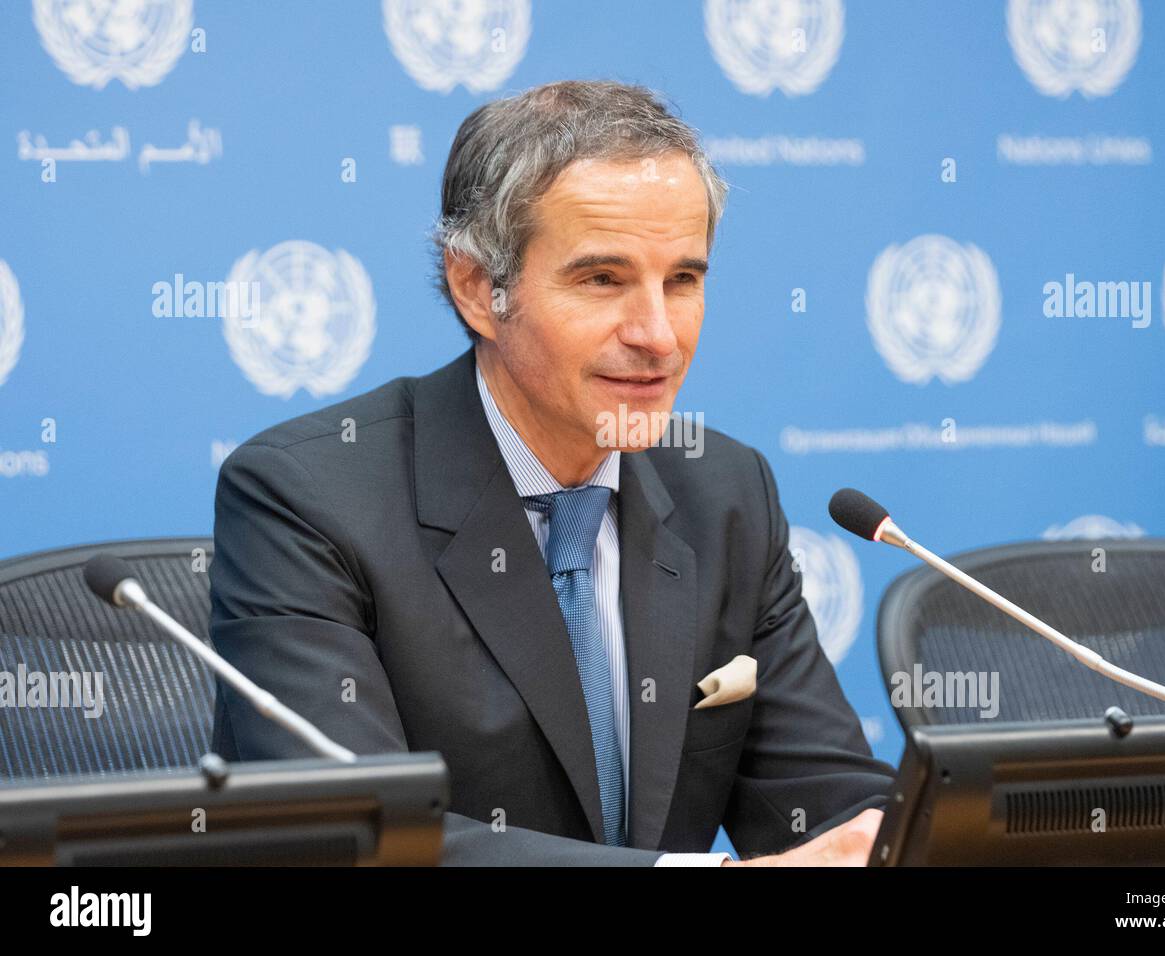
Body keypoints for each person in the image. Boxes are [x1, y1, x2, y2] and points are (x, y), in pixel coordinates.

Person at [210, 80, 893, 865]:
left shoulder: (725, 492)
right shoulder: (309, 498)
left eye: (683, 280)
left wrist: (878, 841)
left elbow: (833, 810)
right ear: (478, 288)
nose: (658, 336)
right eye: (602, 280)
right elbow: (353, 832)